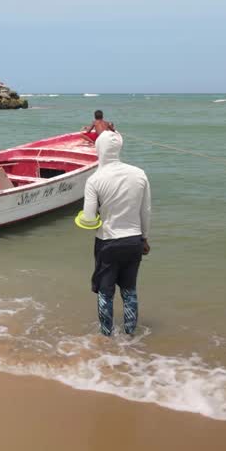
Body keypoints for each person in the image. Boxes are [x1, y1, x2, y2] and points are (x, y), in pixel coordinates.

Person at [75, 130, 150, 336]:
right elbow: (146, 211)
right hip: (134, 241)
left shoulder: (95, 179)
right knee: (129, 291)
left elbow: (89, 219)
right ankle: (131, 336)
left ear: (99, 149)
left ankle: (107, 338)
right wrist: (144, 238)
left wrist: (89, 216)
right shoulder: (139, 174)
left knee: (106, 294)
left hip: (107, 242)